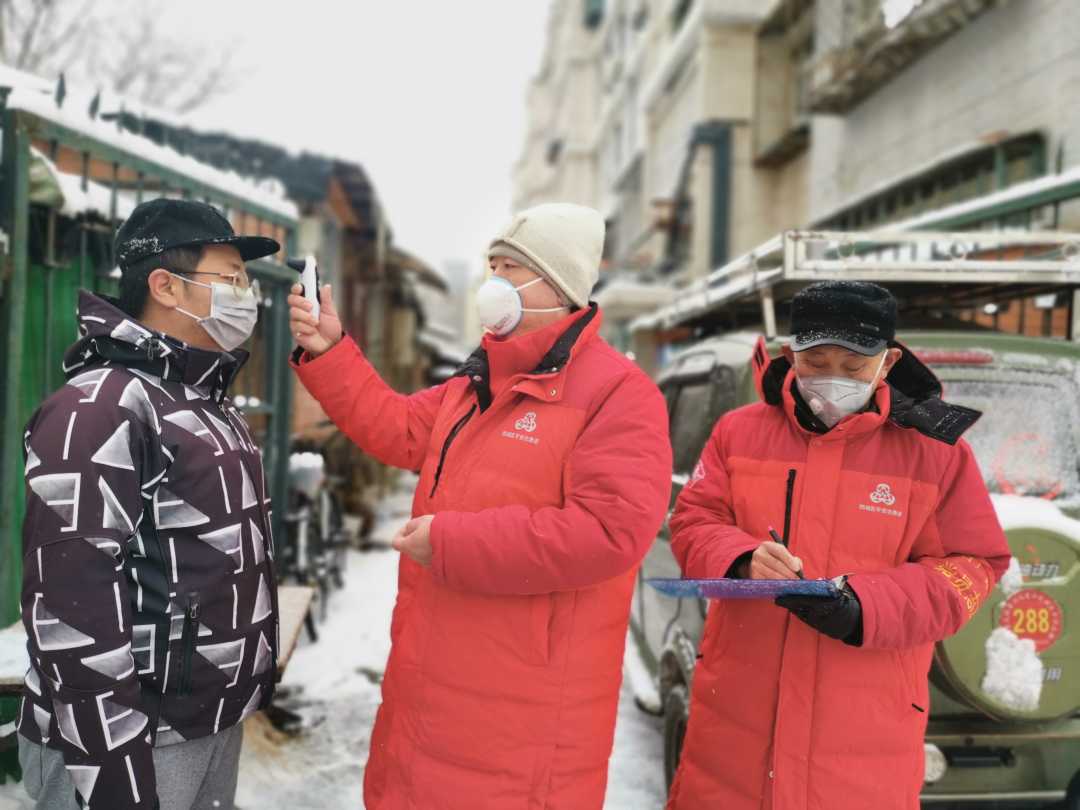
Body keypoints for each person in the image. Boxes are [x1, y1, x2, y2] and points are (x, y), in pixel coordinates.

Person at [289, 202, 672, 808]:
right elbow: (396, 426)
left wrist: (449, 543)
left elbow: (608, 533)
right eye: (492, 264)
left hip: (523, 721)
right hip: (427, 687)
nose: (494, 280)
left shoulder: (620, 396)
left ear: (560, 286)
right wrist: (329, 349)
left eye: (512, 267)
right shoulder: (476, 382)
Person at [665, 281, 1011, 810]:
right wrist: (740, 557)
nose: (833, 379)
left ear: (888, 362)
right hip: (736, 719)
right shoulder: (738, 432)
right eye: (816, 362)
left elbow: (975, 565)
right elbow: (693, 518)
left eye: (853, 366)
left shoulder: (937, 455)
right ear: (790, 355)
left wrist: (865, 607)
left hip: (866, 732)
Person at [17, 199, 283, 810]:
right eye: (231, 277)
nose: (246, 295)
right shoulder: (99, 408)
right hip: (132, 740)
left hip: (207, 721)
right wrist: (113, 772)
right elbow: (71, 605)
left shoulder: (203, 399)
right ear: (165, 285)